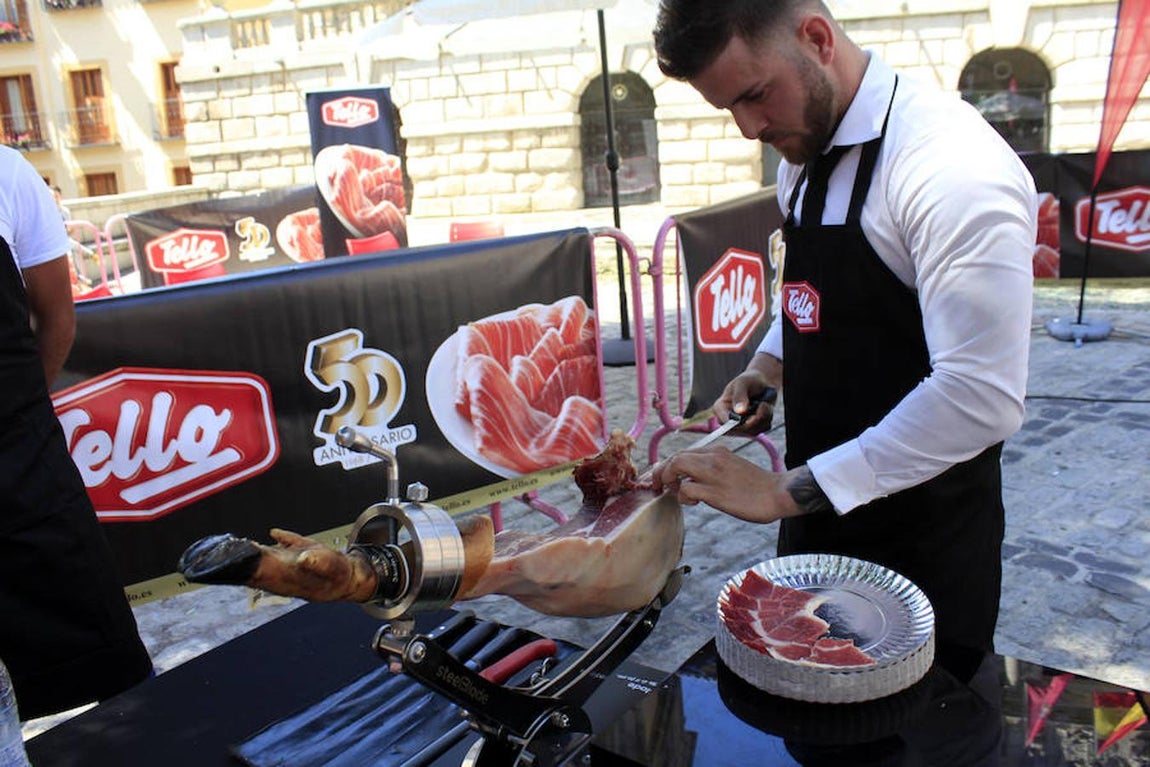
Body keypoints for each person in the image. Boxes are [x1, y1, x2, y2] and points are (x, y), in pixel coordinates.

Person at [651, 0, 1036, 679]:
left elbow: (981, 396)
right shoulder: (801, 155)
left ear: (817, 38)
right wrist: (770, 365)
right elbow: (811, 291)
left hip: (925, 545)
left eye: (755, 95)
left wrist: (780, 492)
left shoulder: (951, 167)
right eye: (728, 109)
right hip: (815, 525)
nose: (748, 128)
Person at [0, 146, 153, 720]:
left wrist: (19, 413)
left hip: (20, 463)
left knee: (114, 666)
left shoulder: (8, 174)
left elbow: (56, 319)